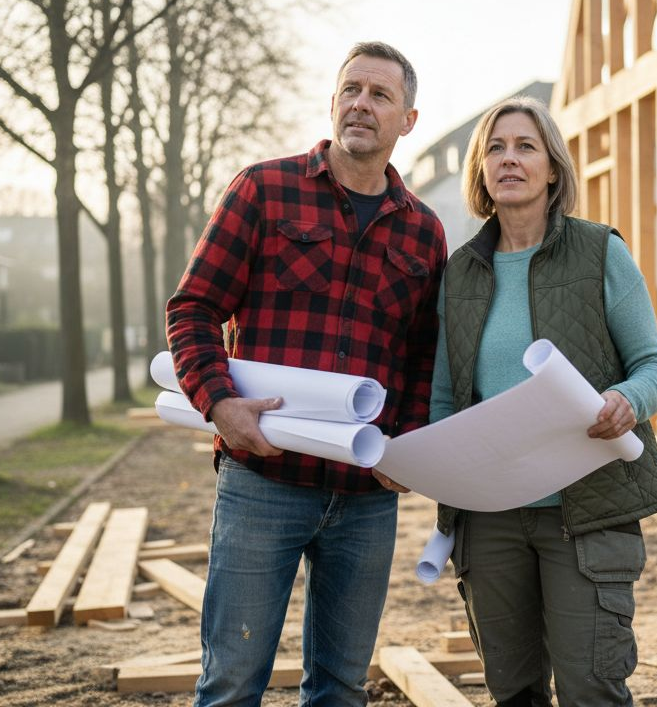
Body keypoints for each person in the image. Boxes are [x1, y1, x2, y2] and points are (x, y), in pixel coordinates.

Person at [165, 41, 447, 707]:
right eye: (351, 89)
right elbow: (193, 308)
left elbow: (423, 358)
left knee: (341, 689)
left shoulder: (424, 233)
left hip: (366, 496)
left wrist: (408, 446)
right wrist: (220, 403)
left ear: (407, 121)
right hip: (263, 480)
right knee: (232, 683)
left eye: (380, 95)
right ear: (333, 102)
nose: (361, 104)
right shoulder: (263, 190)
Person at [430, 96, 657, 706]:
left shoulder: (600, 252)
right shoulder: (460, 273)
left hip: (586, 509)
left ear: (552, 168)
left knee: (591, 685)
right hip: (489, 516)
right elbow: (444, 398)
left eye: (525, 146)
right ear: (481, 170)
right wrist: (434, 470)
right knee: (513, 690)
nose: (508, 159)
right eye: (495, 148)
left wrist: (626, 399)